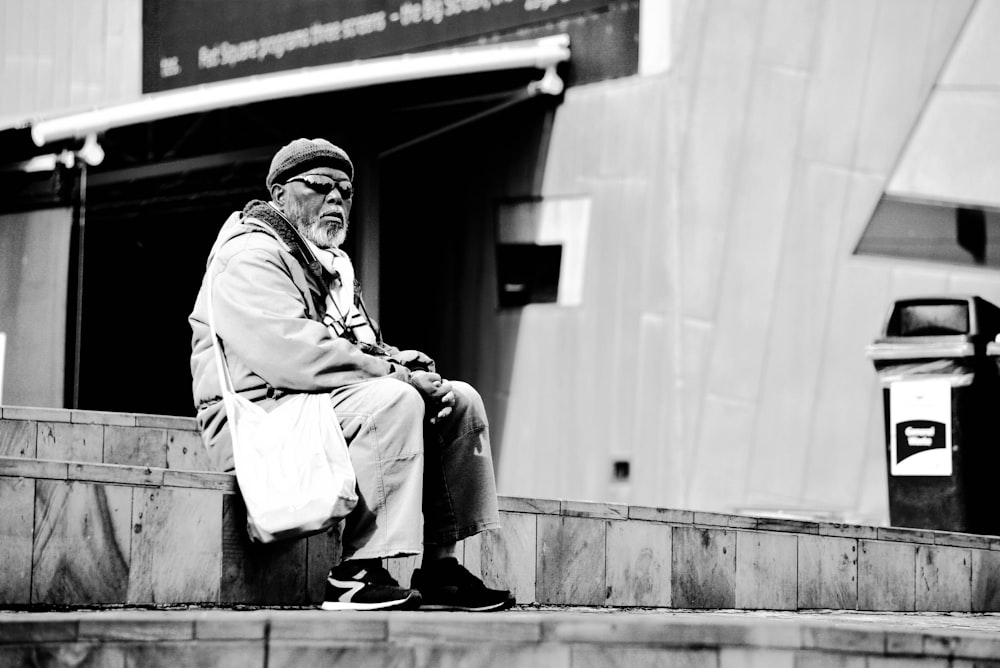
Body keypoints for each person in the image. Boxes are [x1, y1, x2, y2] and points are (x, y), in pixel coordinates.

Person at [189, 138, 514, 612]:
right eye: (320, 187)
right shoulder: (249, 256)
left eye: (345, 190)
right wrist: (397, 378)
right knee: (395, 399)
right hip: (258, 416)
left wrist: (401, 362)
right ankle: (357, 572)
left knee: (457, 399)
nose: (336, 198)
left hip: (307, 402)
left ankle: (440, 567)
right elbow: (296, 355)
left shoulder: (327, 264)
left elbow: (352, 346)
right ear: (279, 195)